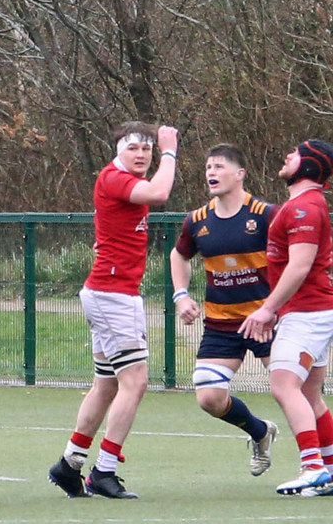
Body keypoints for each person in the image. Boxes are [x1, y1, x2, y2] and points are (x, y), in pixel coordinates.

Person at [48, 121, 179, 500]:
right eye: (134, 147)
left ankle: (69, 464)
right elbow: (160, 191)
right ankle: (104, 471)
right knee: (134, 382)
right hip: (112, 295)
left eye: (148, 149)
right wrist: (169, 150)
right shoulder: (114, 177)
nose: (141, 154)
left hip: (112, 292)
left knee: (106, 384)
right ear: (118, 149)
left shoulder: (119, 178)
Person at [169, 144, 278, 475]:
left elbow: (295, 257)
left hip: (266, 320)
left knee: (296, 392)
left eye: (218, 166)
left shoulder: (265, 214)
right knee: (209, 398)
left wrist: (278, 307)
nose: (211, 173)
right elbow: (179, 256)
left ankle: (317, 463)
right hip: (221, 324)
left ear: (240, 174)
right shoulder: (197, 221)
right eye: (207, 168)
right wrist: (181, 296)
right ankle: (261, 433)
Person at [239, 140, 333, 496]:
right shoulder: (302, 205)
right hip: (311, 311)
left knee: (284, 386)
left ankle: (312, 466)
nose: (285, 156)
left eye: (293, 154)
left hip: (307, 313)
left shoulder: (305, 207)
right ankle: (329, 470)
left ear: (309, 165)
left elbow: (300, 265)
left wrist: (267, 309)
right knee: (309, 393)